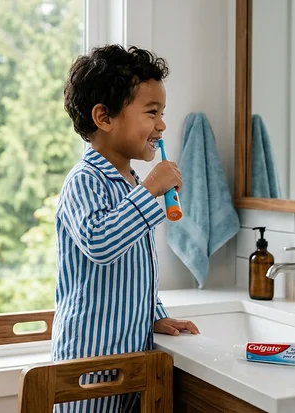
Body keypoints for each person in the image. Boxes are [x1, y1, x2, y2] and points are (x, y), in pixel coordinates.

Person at [52, 44, 200, 413]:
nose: (162, 125)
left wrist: (157, 315)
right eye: (152, 112)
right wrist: (151, 189)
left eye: (162, 113)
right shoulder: (84, 180)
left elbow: (134, 275)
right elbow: (102, 244)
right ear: (104, 117)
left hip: (128, 362)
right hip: (87, 366)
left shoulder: (129, 182)